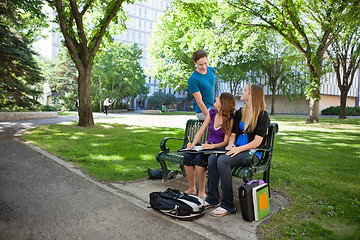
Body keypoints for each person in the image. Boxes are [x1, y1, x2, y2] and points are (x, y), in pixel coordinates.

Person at [205, 83, 270, 217]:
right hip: (237, 149)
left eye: (245, 90)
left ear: (251, 95)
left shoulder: (263, 115)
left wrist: (239, 149)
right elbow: (233, 135)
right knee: (213, 157)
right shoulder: (241, 112)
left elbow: (257, 141)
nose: (242, 91)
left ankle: (228, 205)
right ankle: (212, 198)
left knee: (223, 160)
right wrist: (230, 145)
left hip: (252, 153)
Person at [183, 93, 236, 200]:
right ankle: (192, 188)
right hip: (207, 146)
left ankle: (202, 191)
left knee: (199, 159)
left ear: (224, 103)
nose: (215, 98)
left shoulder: (230, 119)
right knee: (188, 156)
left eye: (219, 98)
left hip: (217, 149)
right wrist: (192, 144)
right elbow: (201, 130)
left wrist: (212, 147)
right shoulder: (211, 113)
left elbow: (225, 142)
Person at [188, 49, 215, 120]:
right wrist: (209, 117)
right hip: (202, 111)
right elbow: (199, 102)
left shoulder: (211, 70)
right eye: (200, 64)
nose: (204, 67)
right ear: (195, 63)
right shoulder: (193, 79)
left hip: (212, 107)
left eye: (205, 63)